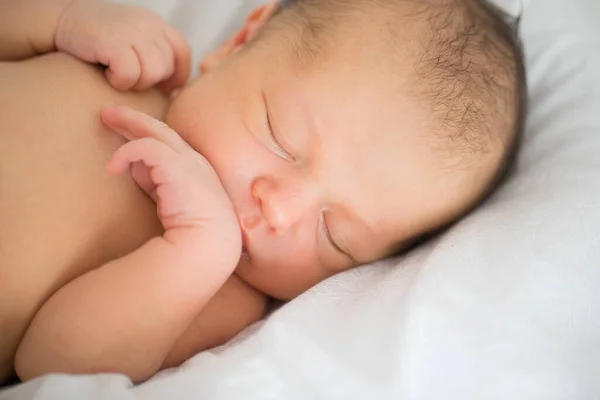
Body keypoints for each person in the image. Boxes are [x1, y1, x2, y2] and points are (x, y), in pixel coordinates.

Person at [0, 0, 525, 385]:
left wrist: (196, 250)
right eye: (280, 137)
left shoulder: (220, 294)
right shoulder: (131, 64)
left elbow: (51, 364)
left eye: (333, 235)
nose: (280, 208)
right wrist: (61, 18)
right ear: (238, 43)